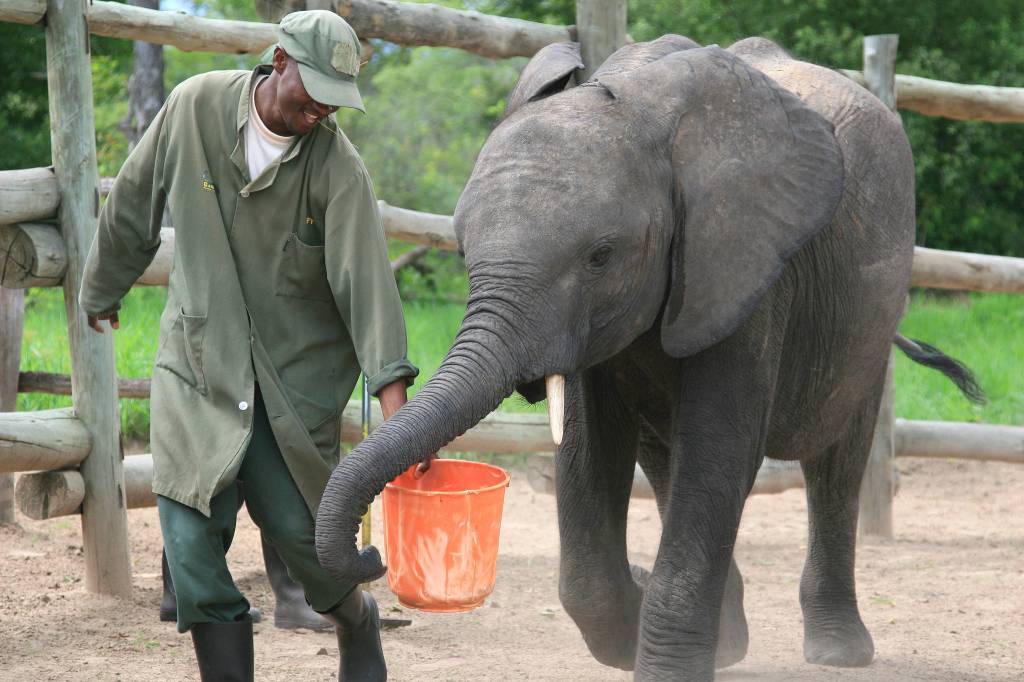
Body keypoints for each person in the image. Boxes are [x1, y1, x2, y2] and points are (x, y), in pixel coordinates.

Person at [80, 10, 422, 681]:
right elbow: (132, 202)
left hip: (289, 388)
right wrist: (103, 289)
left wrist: (398, 409)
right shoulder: (194, 108)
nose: (320, 107)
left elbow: (367, 286)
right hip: (199, 368)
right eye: (312, 89)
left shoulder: (337, 168)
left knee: (309, 542)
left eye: (334, 98)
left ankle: (356, 618)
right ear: (278, 60)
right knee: (188, 536)